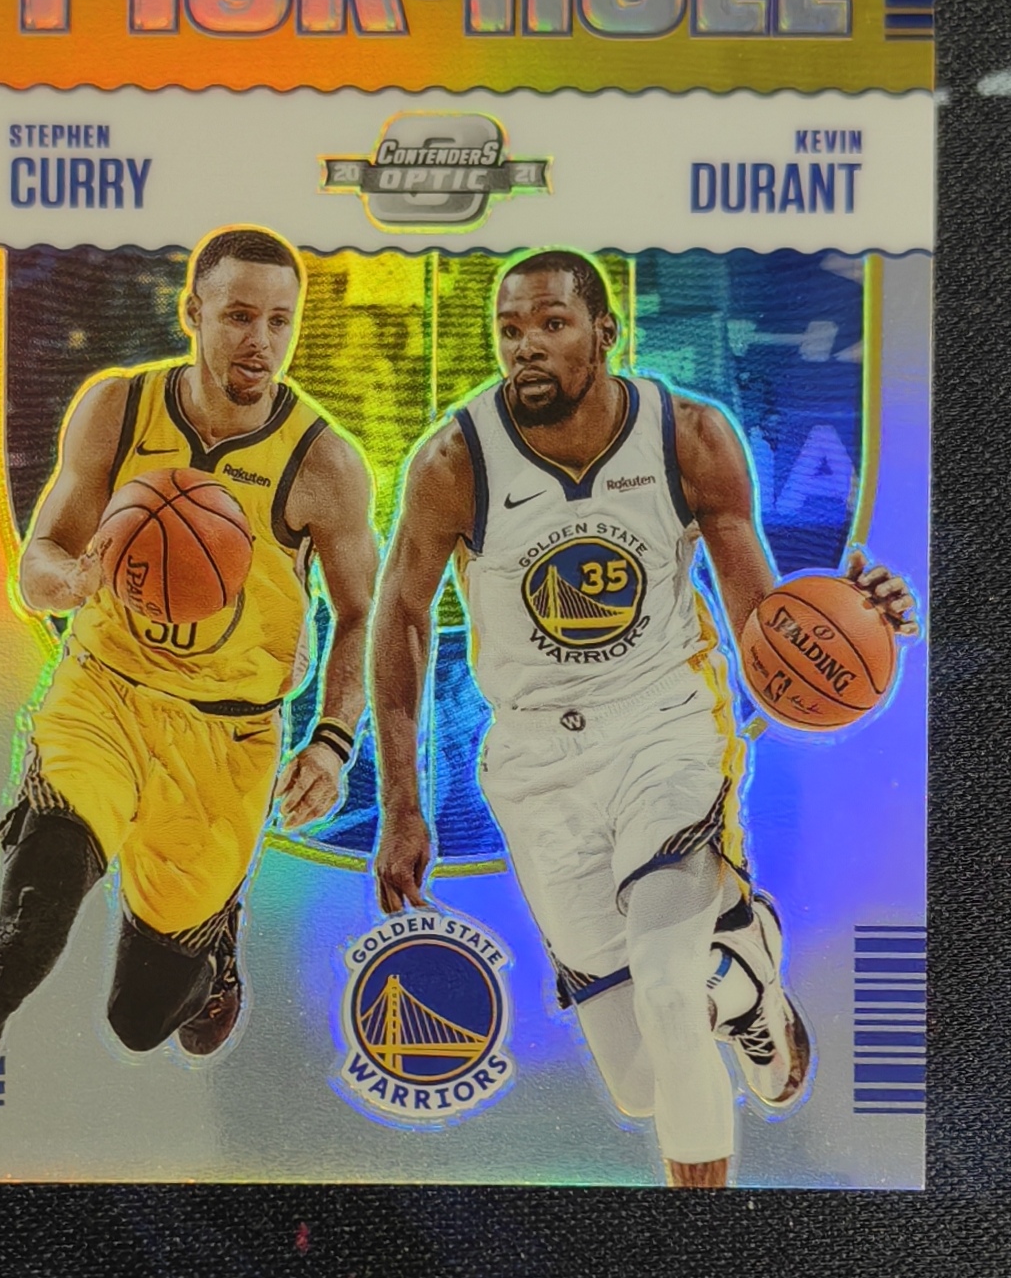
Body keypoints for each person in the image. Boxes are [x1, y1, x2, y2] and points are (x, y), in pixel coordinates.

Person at [372, 248, 916, 1188]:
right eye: (509, 329)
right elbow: (403, 618)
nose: (525, 346)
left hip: (664, 727)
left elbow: (762, 630)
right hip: (536, 764)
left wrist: (851, 617)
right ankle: (741, 973)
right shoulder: (454, 461)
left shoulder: (688, 437)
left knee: (666, 990)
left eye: (551, 323)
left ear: (604, 332)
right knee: (636, 1083)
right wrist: (401, 803)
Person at [0, 225, 376, 1177]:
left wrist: (333, 741)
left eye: (280, 321)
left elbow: (359, 616)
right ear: (191, 314)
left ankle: (212, 941)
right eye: (239, 315)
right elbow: (40, 556)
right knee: (24, 933)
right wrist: (66, 580)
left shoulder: (323, 462)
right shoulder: (118, 407)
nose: (260, 340)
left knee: (142, 1020)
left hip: (226, 740)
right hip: (104, 697)